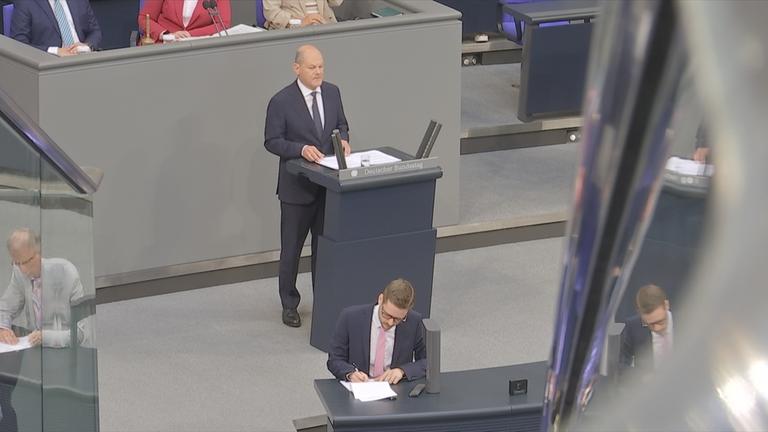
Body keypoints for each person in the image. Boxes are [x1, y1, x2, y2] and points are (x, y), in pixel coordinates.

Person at [264, 44, 350, 328]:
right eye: (312, 67)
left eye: (321, 66)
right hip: (296, 190)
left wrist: (345, 140)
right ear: (297, 68)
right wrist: (299, 149)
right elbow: (272, 141)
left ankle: (324, 300)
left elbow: (342, 125)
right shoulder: (281, 101)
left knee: (324, 250)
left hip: (327, 187)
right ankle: (289, 304)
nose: (318, 72)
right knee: (292, 250)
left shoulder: (333, 92)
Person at [0, 228, 92, 348]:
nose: (23, 269)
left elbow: (81, 333)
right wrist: (3, 328)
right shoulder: (19, 272)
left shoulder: (67, 273)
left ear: (38, 254)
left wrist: (45, 337)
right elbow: (5, 308)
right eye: (17, 263)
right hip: (37, 349)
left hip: (69, 350)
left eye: (26, 262)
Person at [327, 279, 426, 384]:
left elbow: (428, 362)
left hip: (395, 388)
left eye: (398, 319)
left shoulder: (414, 322)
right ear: (380, 299)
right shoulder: (350, 318)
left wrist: (402, 371)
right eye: (386, 314)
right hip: (359, 387)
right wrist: (350, 374)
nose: (390, 322)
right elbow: (334, 359)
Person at [10, 0, 101, 56]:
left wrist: (87, 46)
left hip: (84, 58)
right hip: (49, 65)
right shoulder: (25, 3)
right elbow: (19, 44)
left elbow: (94, 31)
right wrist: (56, 51)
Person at [620, 284, 674, 377]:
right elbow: (622, 365)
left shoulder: (687, 321)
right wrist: (640, 378)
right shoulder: (633, 327)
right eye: (651, 324)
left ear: (666, 305)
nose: (657, 328)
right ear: (640, 314)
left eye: (661, 321)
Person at [138, 0, 231, 43]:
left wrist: (189, 34)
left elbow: (223, 24)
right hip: (164, 46)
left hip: (200, 49)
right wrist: (167, 35)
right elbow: (144, 18)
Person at [263, 0, 344, 30]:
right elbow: (271, 12)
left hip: (325, 29)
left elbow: (336, 2)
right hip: (293, 32)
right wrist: (299, 22)